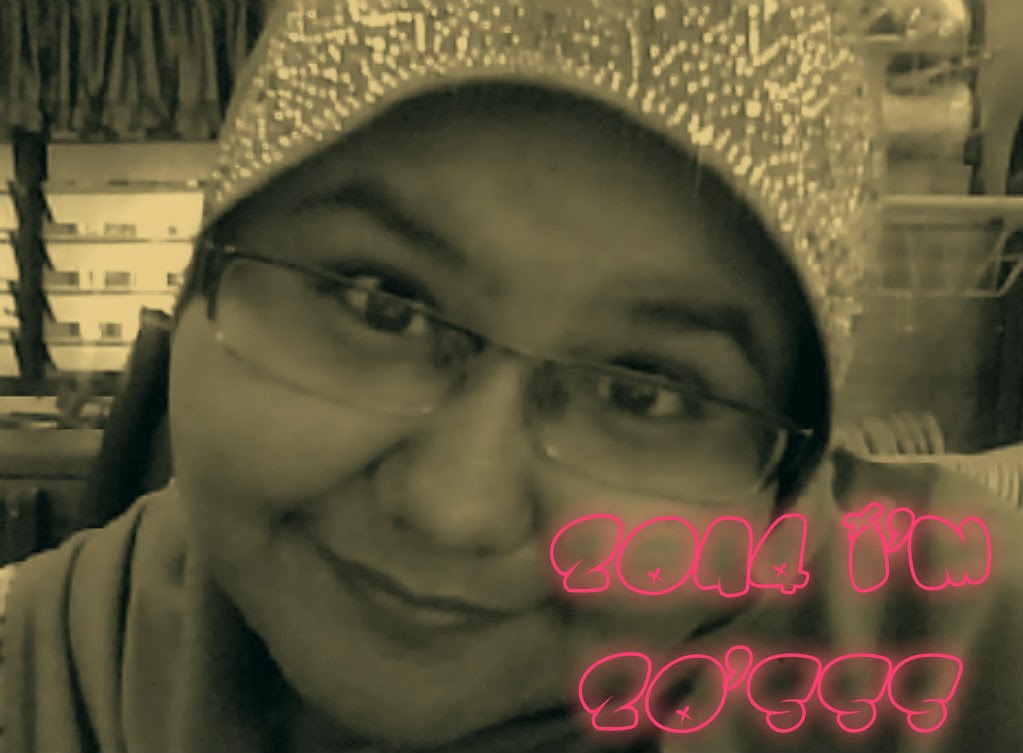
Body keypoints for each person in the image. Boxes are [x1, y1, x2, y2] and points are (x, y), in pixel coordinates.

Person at [2, 1, 1021, 752]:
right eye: (379, 303)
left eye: (646, 388)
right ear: (195, 291)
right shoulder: (47, 673)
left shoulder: (951, 659)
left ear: (783, 489)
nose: (456, 509)